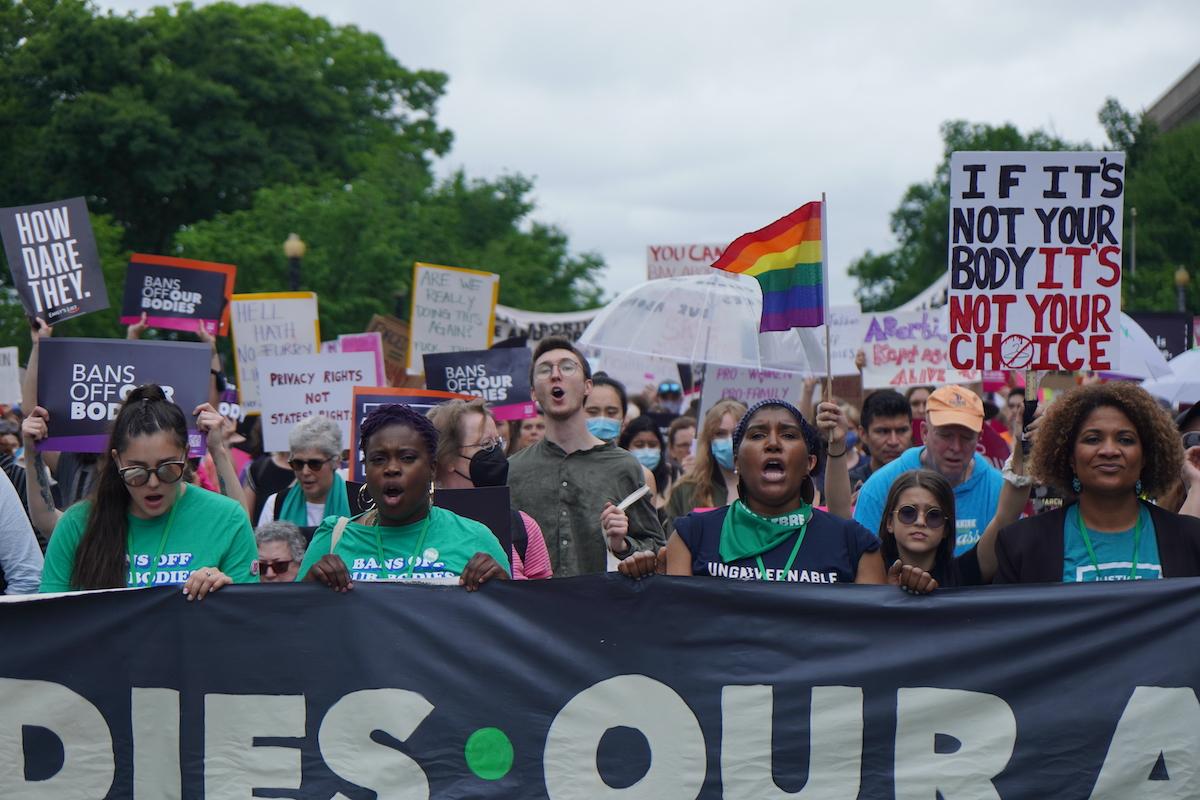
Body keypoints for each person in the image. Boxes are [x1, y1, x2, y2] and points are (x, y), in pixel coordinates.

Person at [621, 399, 886, 584]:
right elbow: (678, 632)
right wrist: (644, 585)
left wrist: (910, 592)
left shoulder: (856, 546)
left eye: (789, 435)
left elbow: (870, 641)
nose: (772, 443)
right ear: (737, 460)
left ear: (809, 462)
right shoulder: (693, 537)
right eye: (757, 435)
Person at [40, 385, 257, 597]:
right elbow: (52, 621)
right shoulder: (77, 524)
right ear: (117, 461)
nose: (153, 483)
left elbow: (247, 619)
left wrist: (223, 594)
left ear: (186, 455)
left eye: (167, 469)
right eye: (136, 471)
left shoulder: (228, 518)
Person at [995, 382, 1200, 583]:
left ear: (1146, 456)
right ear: (1070, 457)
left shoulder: (1191, 538)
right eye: (1093, 439)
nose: (1109, 451)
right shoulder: (1021, 545)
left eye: (1125, 440)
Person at [298, 404, 510, 589]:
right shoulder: (333, 538)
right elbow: (291, 623)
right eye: (378, 459)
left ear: (432, 469)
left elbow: (514, 627)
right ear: (367, 470)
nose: (391, 469)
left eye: (407, 458)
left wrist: (501, 587)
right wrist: (309, 586)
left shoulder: (476, 538)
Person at [508, 337, 663, 577]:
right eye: (544, 370)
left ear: (587, 387)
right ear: (533, 393)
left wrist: (623, 546)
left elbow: (657, 551)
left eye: (567, 367)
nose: (555, 375)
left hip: (602, 609)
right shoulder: (512, 471)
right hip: (531, 611)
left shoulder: (625, 467)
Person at [855, 385, 1003, 556]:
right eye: (946, 435)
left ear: (980, 437)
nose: (956, 447)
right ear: (924, 432)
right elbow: (864, 566)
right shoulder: (879, 487)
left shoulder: (998, 489)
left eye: (966, 437)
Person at [427, 398, 552, 579]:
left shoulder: (522, 527)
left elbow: (543, 601)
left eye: (497, 443)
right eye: (486, 445)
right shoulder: (418, 526)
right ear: (448, 458)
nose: (496, 454)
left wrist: (504, 587)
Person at [257, 415, 369, 537]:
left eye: (315, 464)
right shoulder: (275, 504)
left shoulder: (359, 503)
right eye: (298, 463)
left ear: (336, 461)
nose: (305, 472)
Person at [664, 399, 747, 529]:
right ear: (708, 440)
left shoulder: (768, 486)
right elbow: (672, 541)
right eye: (720, 434)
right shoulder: (687, 489)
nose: (730, 441)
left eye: (736, 433)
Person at [849, 390, 912, 490]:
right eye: (883, 431)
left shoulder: (929, 482)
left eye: (902, 430)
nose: (893, 441)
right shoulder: (848, 485)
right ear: (863, 434)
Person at [618, 415, 679, 508]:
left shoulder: (675, 477)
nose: (647, 450)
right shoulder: (617, 479)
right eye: (639, 445)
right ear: (626, 447)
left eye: (652, 444)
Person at [584, 372, 628, 443]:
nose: (602, 420)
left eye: (611, 412)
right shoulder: (563, 453)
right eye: (593, 412)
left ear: (623, 418)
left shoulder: (628, 454)